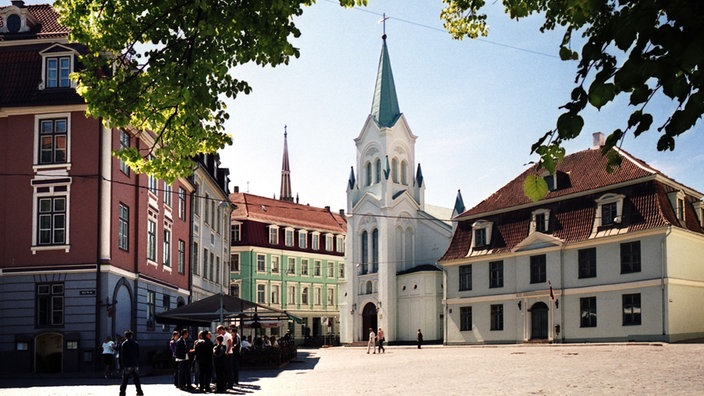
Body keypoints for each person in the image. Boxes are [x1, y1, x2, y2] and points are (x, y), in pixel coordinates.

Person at [118, 330, 144, 396]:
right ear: (131, 335)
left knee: (125, 380)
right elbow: (138, 354)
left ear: (125, 336)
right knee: (136, 379)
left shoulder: (124, 344)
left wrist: (122, 364)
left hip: (127, 364)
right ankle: (139, 392)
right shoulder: (136, 343)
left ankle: (122, 393)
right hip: (135, 364)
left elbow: (122, 355)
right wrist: (137, 362)